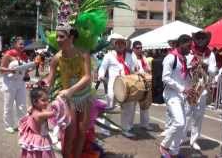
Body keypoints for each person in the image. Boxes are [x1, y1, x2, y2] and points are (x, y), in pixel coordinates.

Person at [43, 23, 92, 158]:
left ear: (71, 37)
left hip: (84, 97)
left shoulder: (83, 54)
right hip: (68, 100)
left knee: (82, 132)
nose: (58, 40)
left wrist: (71, 90)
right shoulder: (56, 58)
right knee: (70, 133)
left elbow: (87, 77)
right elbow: (50, 79)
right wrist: (42, 86)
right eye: (57, 37)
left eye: (61, 37)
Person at [159, 34, 194, 157]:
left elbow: (182, 77)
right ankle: (164, 145)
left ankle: (174, 151)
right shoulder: (170, 58)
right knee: (179, 122)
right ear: (180, 44)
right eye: (188, 46)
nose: (190, 49)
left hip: (181, 95)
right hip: (171, 94)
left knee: (182, 125)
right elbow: (165, 78)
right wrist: (182, 88)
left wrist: (190, 80)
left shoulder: (183, 59)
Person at [98, 33, 137, 137]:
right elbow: (102, 68)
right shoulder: (109, 55)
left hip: (127, 85)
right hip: (113, 85)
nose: (120, 45)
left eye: (122, 43)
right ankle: (105, 128)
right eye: (118, 43)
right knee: (110, 107)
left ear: (125, 45)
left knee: (127, 108)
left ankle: (125, 129)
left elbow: (134, 69)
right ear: (115, 45)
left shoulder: (130, 56)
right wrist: (101, 76)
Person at [184, 31, 218, 150]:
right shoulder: (190, 51)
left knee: (198, 115)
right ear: (195, 39)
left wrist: (206, 65)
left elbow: (214, 70)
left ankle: (194, 140)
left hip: (202, 86)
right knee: (187, 113)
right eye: (198, 38)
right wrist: (192, 65)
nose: (200, 40)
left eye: (203, 38)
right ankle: (182, 137)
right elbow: (184, 66)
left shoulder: (210, 54)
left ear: (206, 40)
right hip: (190, 85)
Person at [0, 37, 28, 133]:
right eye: (20, 44)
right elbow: (1, 69)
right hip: (9, 83)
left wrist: (29, 70)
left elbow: (25, 70)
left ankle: (22, 125)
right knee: (8, 105)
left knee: (22, 105)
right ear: (15, 44)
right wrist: (11, 70)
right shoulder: (8, 54)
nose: (22, 46)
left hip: (21, 83)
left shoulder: (24, 55)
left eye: (23, 44)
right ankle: (8, 125)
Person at [123, 41, 153, 132]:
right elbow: (130, 70)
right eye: (137, 48)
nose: (140, 49)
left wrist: (148, 71)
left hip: (144, 83)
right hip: (134, 84)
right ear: (133, 48)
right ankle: (129, 126)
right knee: (131, 106)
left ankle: (145, 124)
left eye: (141, 47)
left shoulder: (143, 58)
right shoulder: (130, 57)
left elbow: (148, 69)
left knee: (145, 105)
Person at [18, 87, 56, 158]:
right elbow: (54, 113)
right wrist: (60, 101)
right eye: (43, 100)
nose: (47, 102)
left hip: (35, 138)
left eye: (47, 100)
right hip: (40, 139)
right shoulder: (40, 115)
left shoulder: (34, 109)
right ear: (35, 102)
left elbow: (47, 111)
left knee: (34, 155)